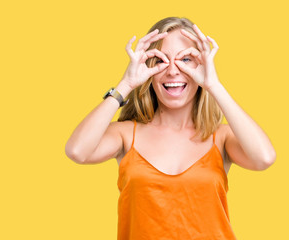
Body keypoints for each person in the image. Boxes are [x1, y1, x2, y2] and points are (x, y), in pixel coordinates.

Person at [65, 17, 276, 240]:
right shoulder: (125, 134)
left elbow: (264, 158)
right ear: (148, 67)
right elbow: (77, 151)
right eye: (160, 60)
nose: (173, 71)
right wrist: (125, 85)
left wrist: (214, 85)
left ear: (201, 65)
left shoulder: (221, 137)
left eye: (186, 59)